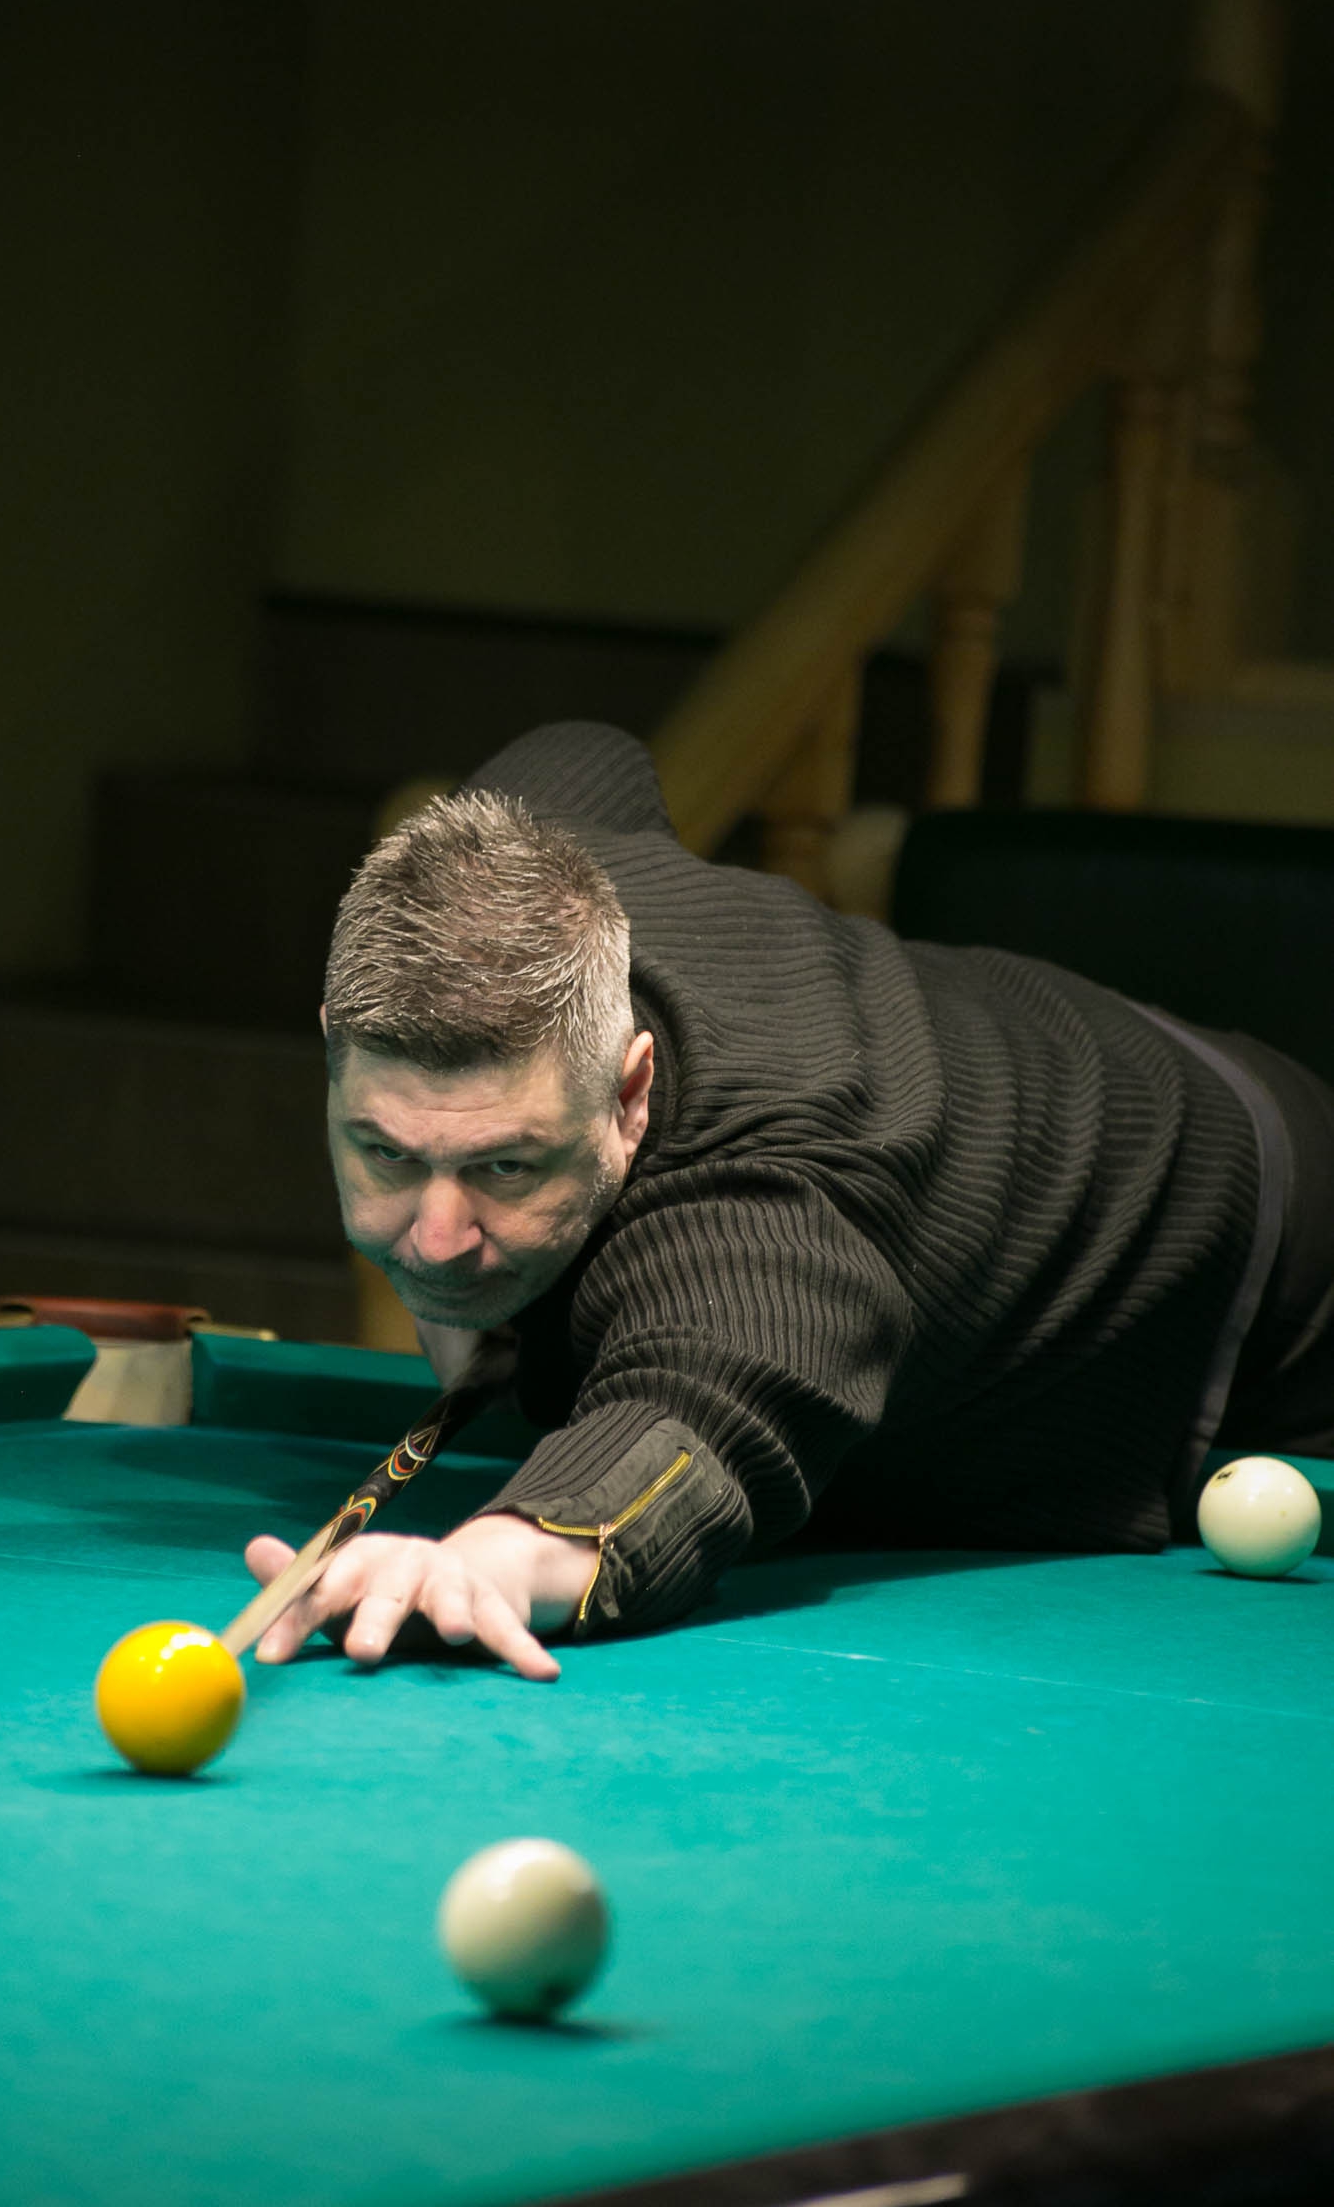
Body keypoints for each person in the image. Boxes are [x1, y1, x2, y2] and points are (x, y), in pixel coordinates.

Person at [244, 721, 1334, 1682]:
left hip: (1277, 1258)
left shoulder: (776, 1197)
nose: (436, 1236)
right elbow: (582, 750)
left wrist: (491, 1560)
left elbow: (690, 1421)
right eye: (387, 1153)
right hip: (1046, 1047)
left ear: (629, 1093)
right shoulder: (523, 864)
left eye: (504, 1168)